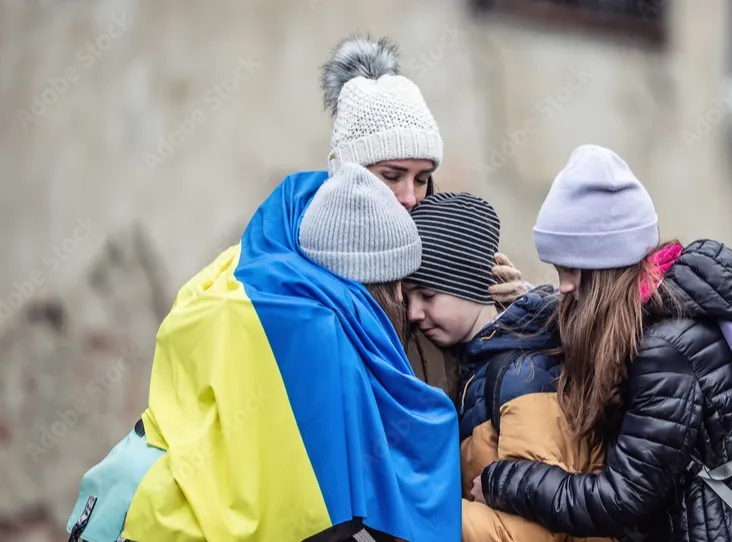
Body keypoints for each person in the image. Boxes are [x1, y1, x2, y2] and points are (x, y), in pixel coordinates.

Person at [66, 163, 461, 542]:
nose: (410, 310)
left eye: (422, 179)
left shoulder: (236, 287)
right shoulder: (330, 348)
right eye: (407, 289)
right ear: (382, 284)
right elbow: (325, 513)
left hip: (130, 498)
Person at [472, 144, 732, 541]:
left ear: (607, 267)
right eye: (557, 269)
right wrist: (525, 299)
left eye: (572, 269)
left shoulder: (666, 350)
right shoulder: (661, 311)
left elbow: (619, 501)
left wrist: (503, 481)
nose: (564, 285)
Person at [318, 34, 527, 397]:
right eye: (391, 176)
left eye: (423, 179)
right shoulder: (310, 272)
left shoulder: (439, 242)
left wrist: (515, 316)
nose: (410, 197)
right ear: (347, 172)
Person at [403, 192, 615, 542]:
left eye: (427, 296)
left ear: (471, 285)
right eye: (408, 298)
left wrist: (412, 511)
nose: (414, 313)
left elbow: (530, 535)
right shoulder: (484, 363)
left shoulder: (524, 374)